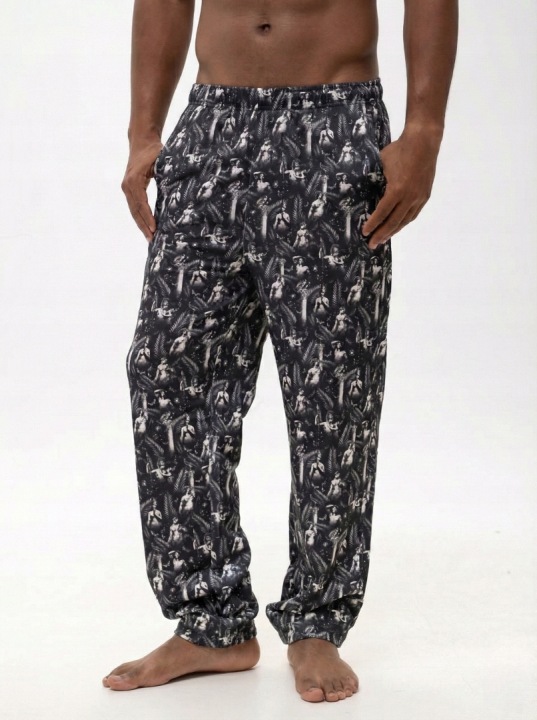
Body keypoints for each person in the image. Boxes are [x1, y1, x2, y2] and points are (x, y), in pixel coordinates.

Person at [103, 0, 458, 703]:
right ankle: (212, 622)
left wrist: (424, 129)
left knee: (332, 387)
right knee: (166, 370)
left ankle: (317, 622)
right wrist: (144, 132)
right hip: (211, 122)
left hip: (333, 118)